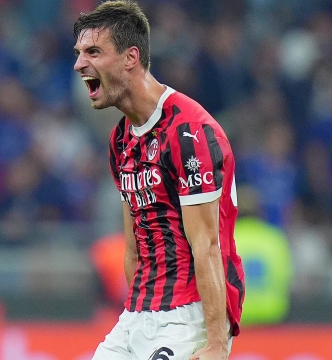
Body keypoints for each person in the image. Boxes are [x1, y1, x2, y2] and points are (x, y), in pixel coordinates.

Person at [72, 2, 245, 359]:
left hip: (190, 315)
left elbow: (208, 246)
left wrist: (215, 343)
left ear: (130, 57)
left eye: (93, 52)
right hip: (139, 314)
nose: (79, 64)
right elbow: (134, 245)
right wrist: (132, 317)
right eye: (78, 53)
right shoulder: (121, 139)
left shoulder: (189, 132)